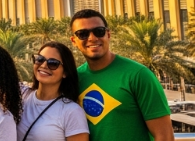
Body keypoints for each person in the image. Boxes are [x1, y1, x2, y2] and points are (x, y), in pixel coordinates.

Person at [70, 9, 173, 141]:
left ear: (108, 34)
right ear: (74, 40)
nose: (92, 38)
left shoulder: (138, 75)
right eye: (82, 34)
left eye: (99, 31)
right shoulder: (75, 79)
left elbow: (164, 136)